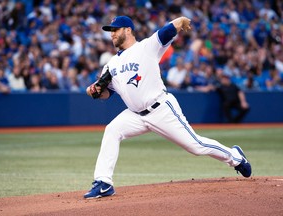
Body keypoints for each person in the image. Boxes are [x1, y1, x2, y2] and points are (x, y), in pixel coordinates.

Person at [84, 16, 252, 199]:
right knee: (112, 130)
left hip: (160, 109)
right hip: (135, 115)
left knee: (195, 146)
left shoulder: (146, 47)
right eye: (111, 31)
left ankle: (235, 157)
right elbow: (106, 94)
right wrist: (94, 91)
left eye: (116, 29)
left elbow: (166, 32)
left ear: (128, 30)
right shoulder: (111, 65)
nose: (112, 34)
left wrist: (180, 21)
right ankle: (103, 183)